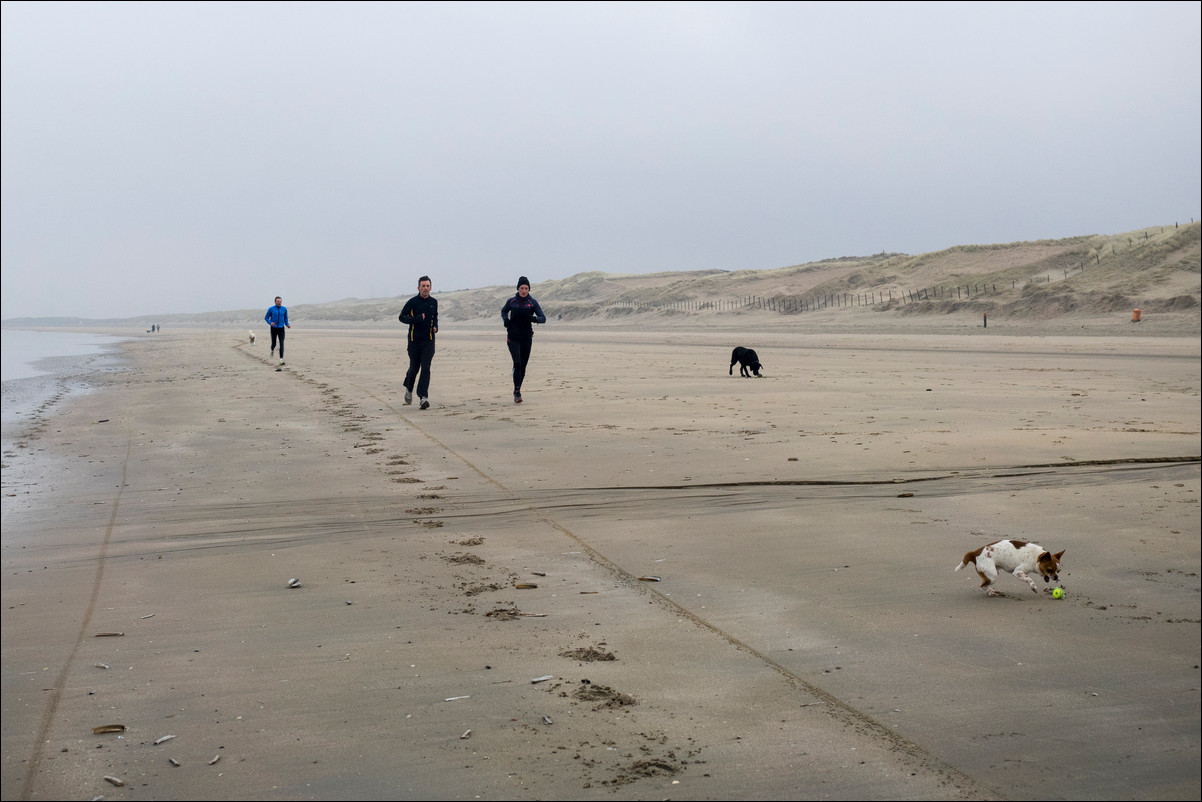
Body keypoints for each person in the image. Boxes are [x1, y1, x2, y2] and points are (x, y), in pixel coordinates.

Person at [500, 276, 546, 403]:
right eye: (522, 288)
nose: (524, 290)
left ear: (529, 289)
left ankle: (517, 389)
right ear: (518, 288)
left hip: (526, 337)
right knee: (518, 363)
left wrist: (534, 319)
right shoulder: (512, 301)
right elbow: (503, 311)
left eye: (526, 288)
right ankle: (517, 392)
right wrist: (506, 321)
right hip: (513, 336)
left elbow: (543, 318)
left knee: (523, 366)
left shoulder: (533, 303)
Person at [398, 276, 438, 409]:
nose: (425, 288)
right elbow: (402, 318)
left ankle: (423, 397)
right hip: (414, 341)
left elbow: (435, 316)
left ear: (430, 287)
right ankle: (409, 388)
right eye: (423, 286)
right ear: (418, 288)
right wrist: (417, 318)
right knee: (414, 368)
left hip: (429, 340)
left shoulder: (434, 302)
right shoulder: (412, 302)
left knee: (426, 368)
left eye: (427, 286)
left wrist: (435, 326)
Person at [265, 296, 290, 365]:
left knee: (281, 343)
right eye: (278, 301)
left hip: (281, 328)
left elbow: (285, 318)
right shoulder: (271, 309)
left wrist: (287, 324)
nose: (279, 302)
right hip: (273, 328)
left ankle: (281, 360)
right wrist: (270, 323)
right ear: (275, 302)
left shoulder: (284, 309)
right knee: (274, 343)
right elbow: (266, 317)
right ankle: (272, 350)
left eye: (280, 301)